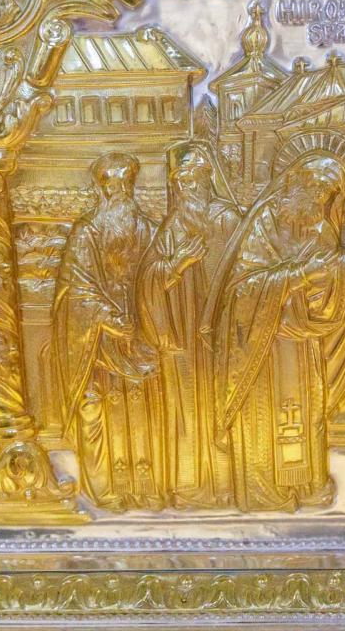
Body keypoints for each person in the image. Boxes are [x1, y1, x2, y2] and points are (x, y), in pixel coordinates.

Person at [203, 150, 345, 511]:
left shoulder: (321, 228)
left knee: (305, 416)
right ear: (297, 183)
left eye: (328, 195)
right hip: (262, 348)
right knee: (267, 420)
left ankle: (307, 485)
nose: (320, 200)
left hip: (302, 345)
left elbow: (330, 273)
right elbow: (242, 289)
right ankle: (266, 496)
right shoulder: (265, 222)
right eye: (316, 190)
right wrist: (298, 276)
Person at [51, 152, 162, 511]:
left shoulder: (148, 229)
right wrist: (107, 318)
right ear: (101, 189)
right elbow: (76, 287)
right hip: (98, 343)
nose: (120, 192)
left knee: (140, 413)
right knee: (98, 410)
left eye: (125, 184)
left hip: (140, 338)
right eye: (112, 185)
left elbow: (159, 277)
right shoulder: (87, 232)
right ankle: (106, 489)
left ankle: (145, 485)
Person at [137, 141, 244, 508]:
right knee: (185, 410)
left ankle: (226, 484)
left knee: (221, 409)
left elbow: (246, 272)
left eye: (194, 177)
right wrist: (175, 265)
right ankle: (189, 486)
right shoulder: (173, 225)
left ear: (207, 178)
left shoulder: (228, 219)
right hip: (181, 337)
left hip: (222, 337)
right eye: (181, 180)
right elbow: (148, 277)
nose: (187, 186)